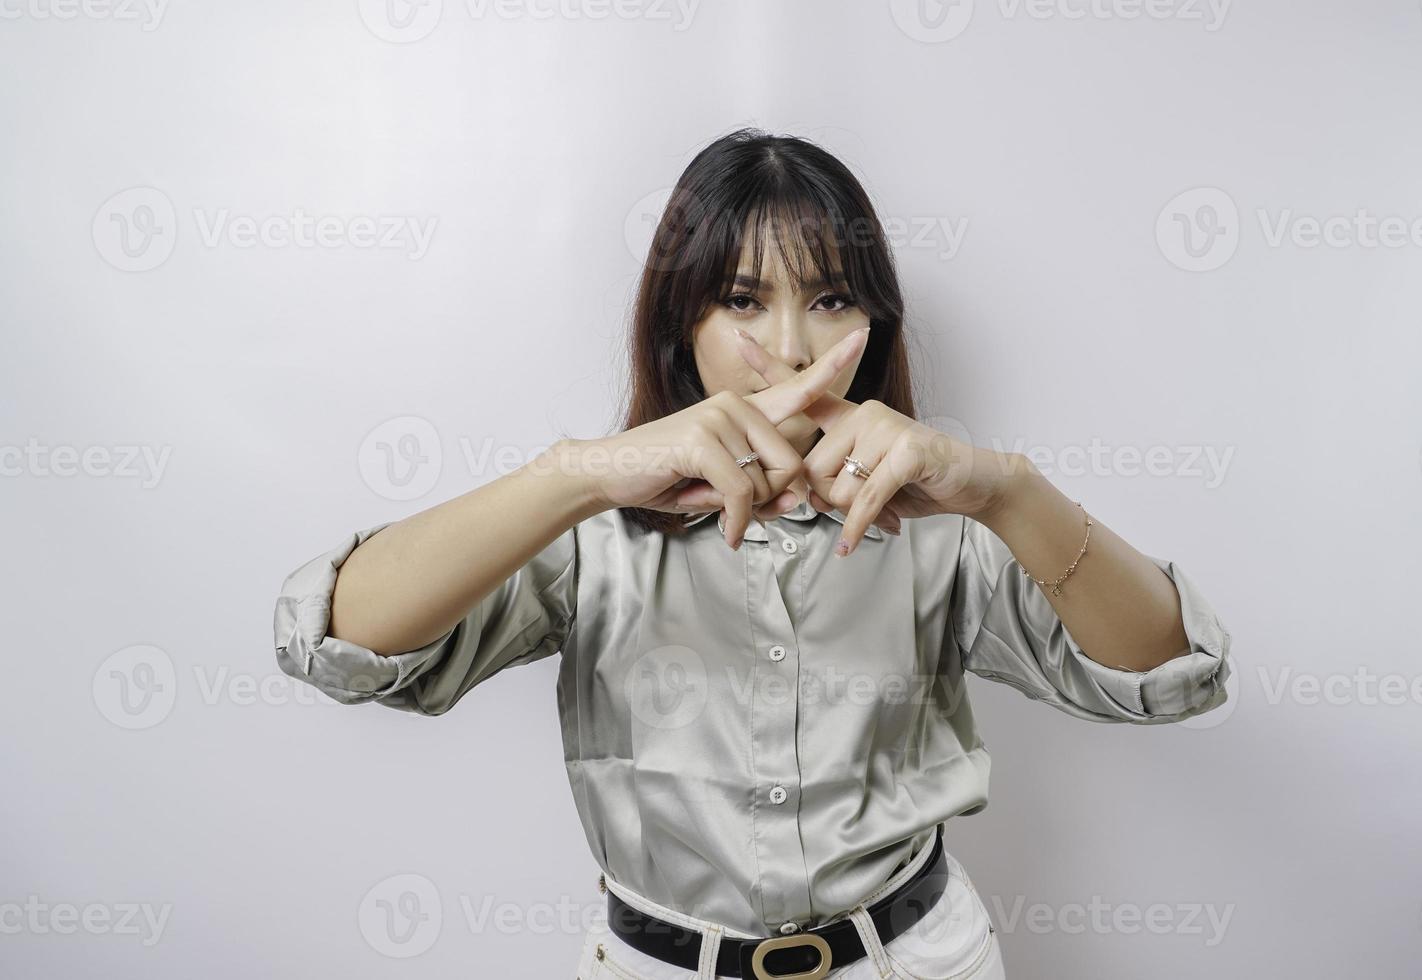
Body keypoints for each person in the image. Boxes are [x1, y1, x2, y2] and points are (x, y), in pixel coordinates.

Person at [272, 127, 1232, 980]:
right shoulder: (592, 530)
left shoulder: (943, 526)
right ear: (680, 328)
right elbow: (343, 644)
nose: (789, 347)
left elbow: (1165, 673)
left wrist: (1010, 490)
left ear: (874, 323)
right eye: (742, 300)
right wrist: (579, 474)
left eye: (829, 300)